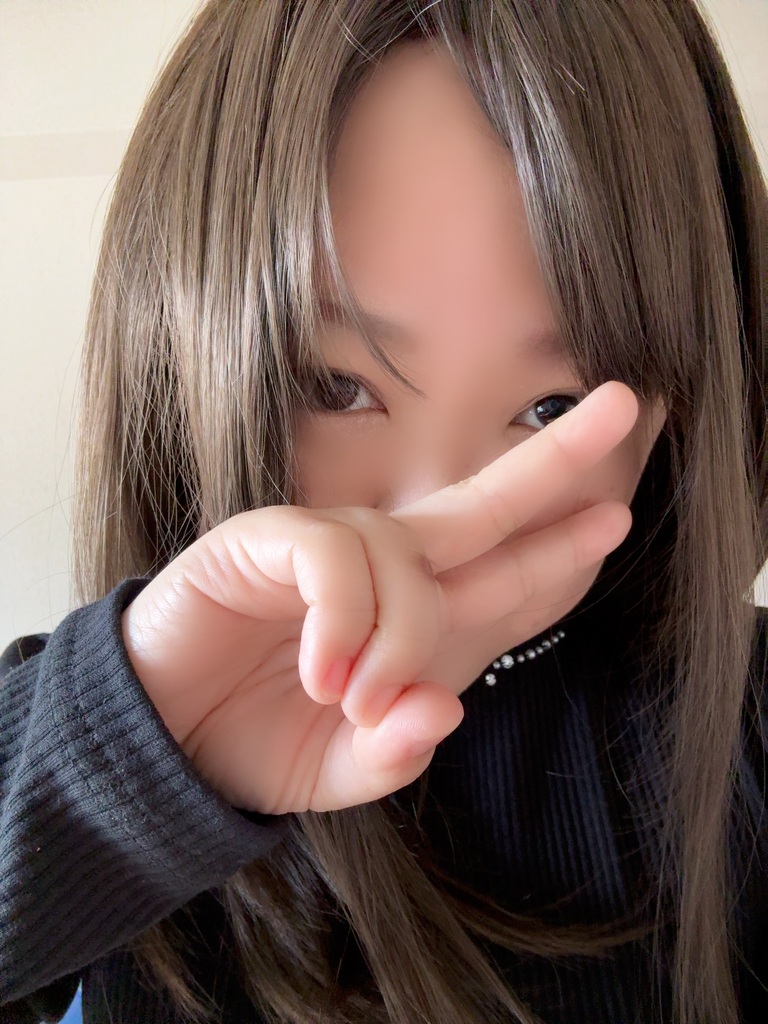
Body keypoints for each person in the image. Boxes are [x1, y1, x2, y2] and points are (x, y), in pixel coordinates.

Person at [1, 0, 766, 1022]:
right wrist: (128, 765)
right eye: (336, 387)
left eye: (554, 408)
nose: (433, 514)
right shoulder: (100, 727)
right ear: (184, 359)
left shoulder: (747, 727)